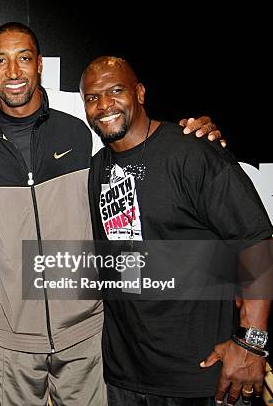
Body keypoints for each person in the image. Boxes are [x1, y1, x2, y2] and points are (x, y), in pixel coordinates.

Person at [0, 22, 224, 405]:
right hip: (11, 336)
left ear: (40, 65)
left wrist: (196, 134)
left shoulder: (82, 120)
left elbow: (141, 136)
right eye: (1, 61)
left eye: (23, 58)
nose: (14, 71)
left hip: (87, 329)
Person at [82, 56, 271, 405]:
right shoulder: (98, 167)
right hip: (126, 378)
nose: (104, 104)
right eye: (92, 97)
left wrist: (251, 344)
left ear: (139, 93)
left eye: (115, 90)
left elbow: (256, 242)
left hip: (201, 377)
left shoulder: (192, 152)